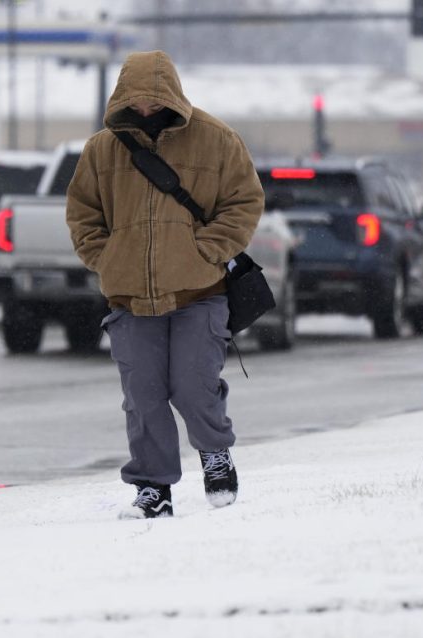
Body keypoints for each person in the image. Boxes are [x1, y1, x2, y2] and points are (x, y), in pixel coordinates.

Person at [66, 50, 265, 519]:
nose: (147, 110)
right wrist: (109, 259)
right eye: (137, 102)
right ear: (122, 98)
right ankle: (153, 488)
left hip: (200, 294)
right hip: (130, 298)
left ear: (172, 95)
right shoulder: (102, 149)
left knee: (193, 387)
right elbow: (82, 214)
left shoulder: (216, 140)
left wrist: (206, 251)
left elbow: (245, 202)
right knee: (143, 397)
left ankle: (215, 453)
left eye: (155, 102)